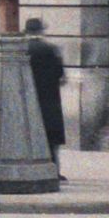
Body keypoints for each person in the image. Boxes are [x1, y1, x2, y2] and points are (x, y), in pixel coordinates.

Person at [24, 17, 67, 179]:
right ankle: (54, 170)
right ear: (41, 31)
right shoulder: (52, 49)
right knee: (51, 137)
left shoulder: (21, 49)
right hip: (49, 99)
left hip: (29, 99)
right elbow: (60, 75)